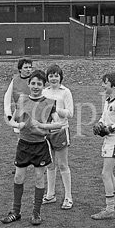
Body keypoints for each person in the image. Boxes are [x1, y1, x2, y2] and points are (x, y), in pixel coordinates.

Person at [1, 70, 61, 226]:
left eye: (39, 84)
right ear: (28, 84)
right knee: (18, 177)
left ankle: (36, 213)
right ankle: (16, 212)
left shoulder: (49, 103)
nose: (35, 86)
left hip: (40, 146)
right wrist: (17, 124)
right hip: (24, 144)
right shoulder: (22, 100)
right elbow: (11, 120)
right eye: (33, 83)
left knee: (39, 178)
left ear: (43, 85)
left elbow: (59, 124)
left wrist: (41, 125)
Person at [91, 72, 115, 220]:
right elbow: (104, 117)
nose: (102, 85)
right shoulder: (108, 100)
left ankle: (109, 209)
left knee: (105, 174)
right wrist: (99, 123)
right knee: (110, 173)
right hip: (109, 140)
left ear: (113, 85)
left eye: (105, 83)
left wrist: (107, 129)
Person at [42, 64, 75, 210]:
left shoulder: (65, 92)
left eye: (56, 75)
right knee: (50, 164)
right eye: (51, 75)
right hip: (46, 131)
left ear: (60, 77)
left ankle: (68, 197)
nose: (53, 78)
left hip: (61, 130)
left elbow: (70, 113)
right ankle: (50, 194)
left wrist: (56, 109)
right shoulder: (44, 92)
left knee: (63, 164)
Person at [3, 58, 34, 131]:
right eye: (26, 67)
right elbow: (7, 98)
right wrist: (9, 115)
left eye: (30, 67)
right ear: (20, 69)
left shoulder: (35, 80)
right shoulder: (15, 81)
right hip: (20, 114)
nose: (28, 69)